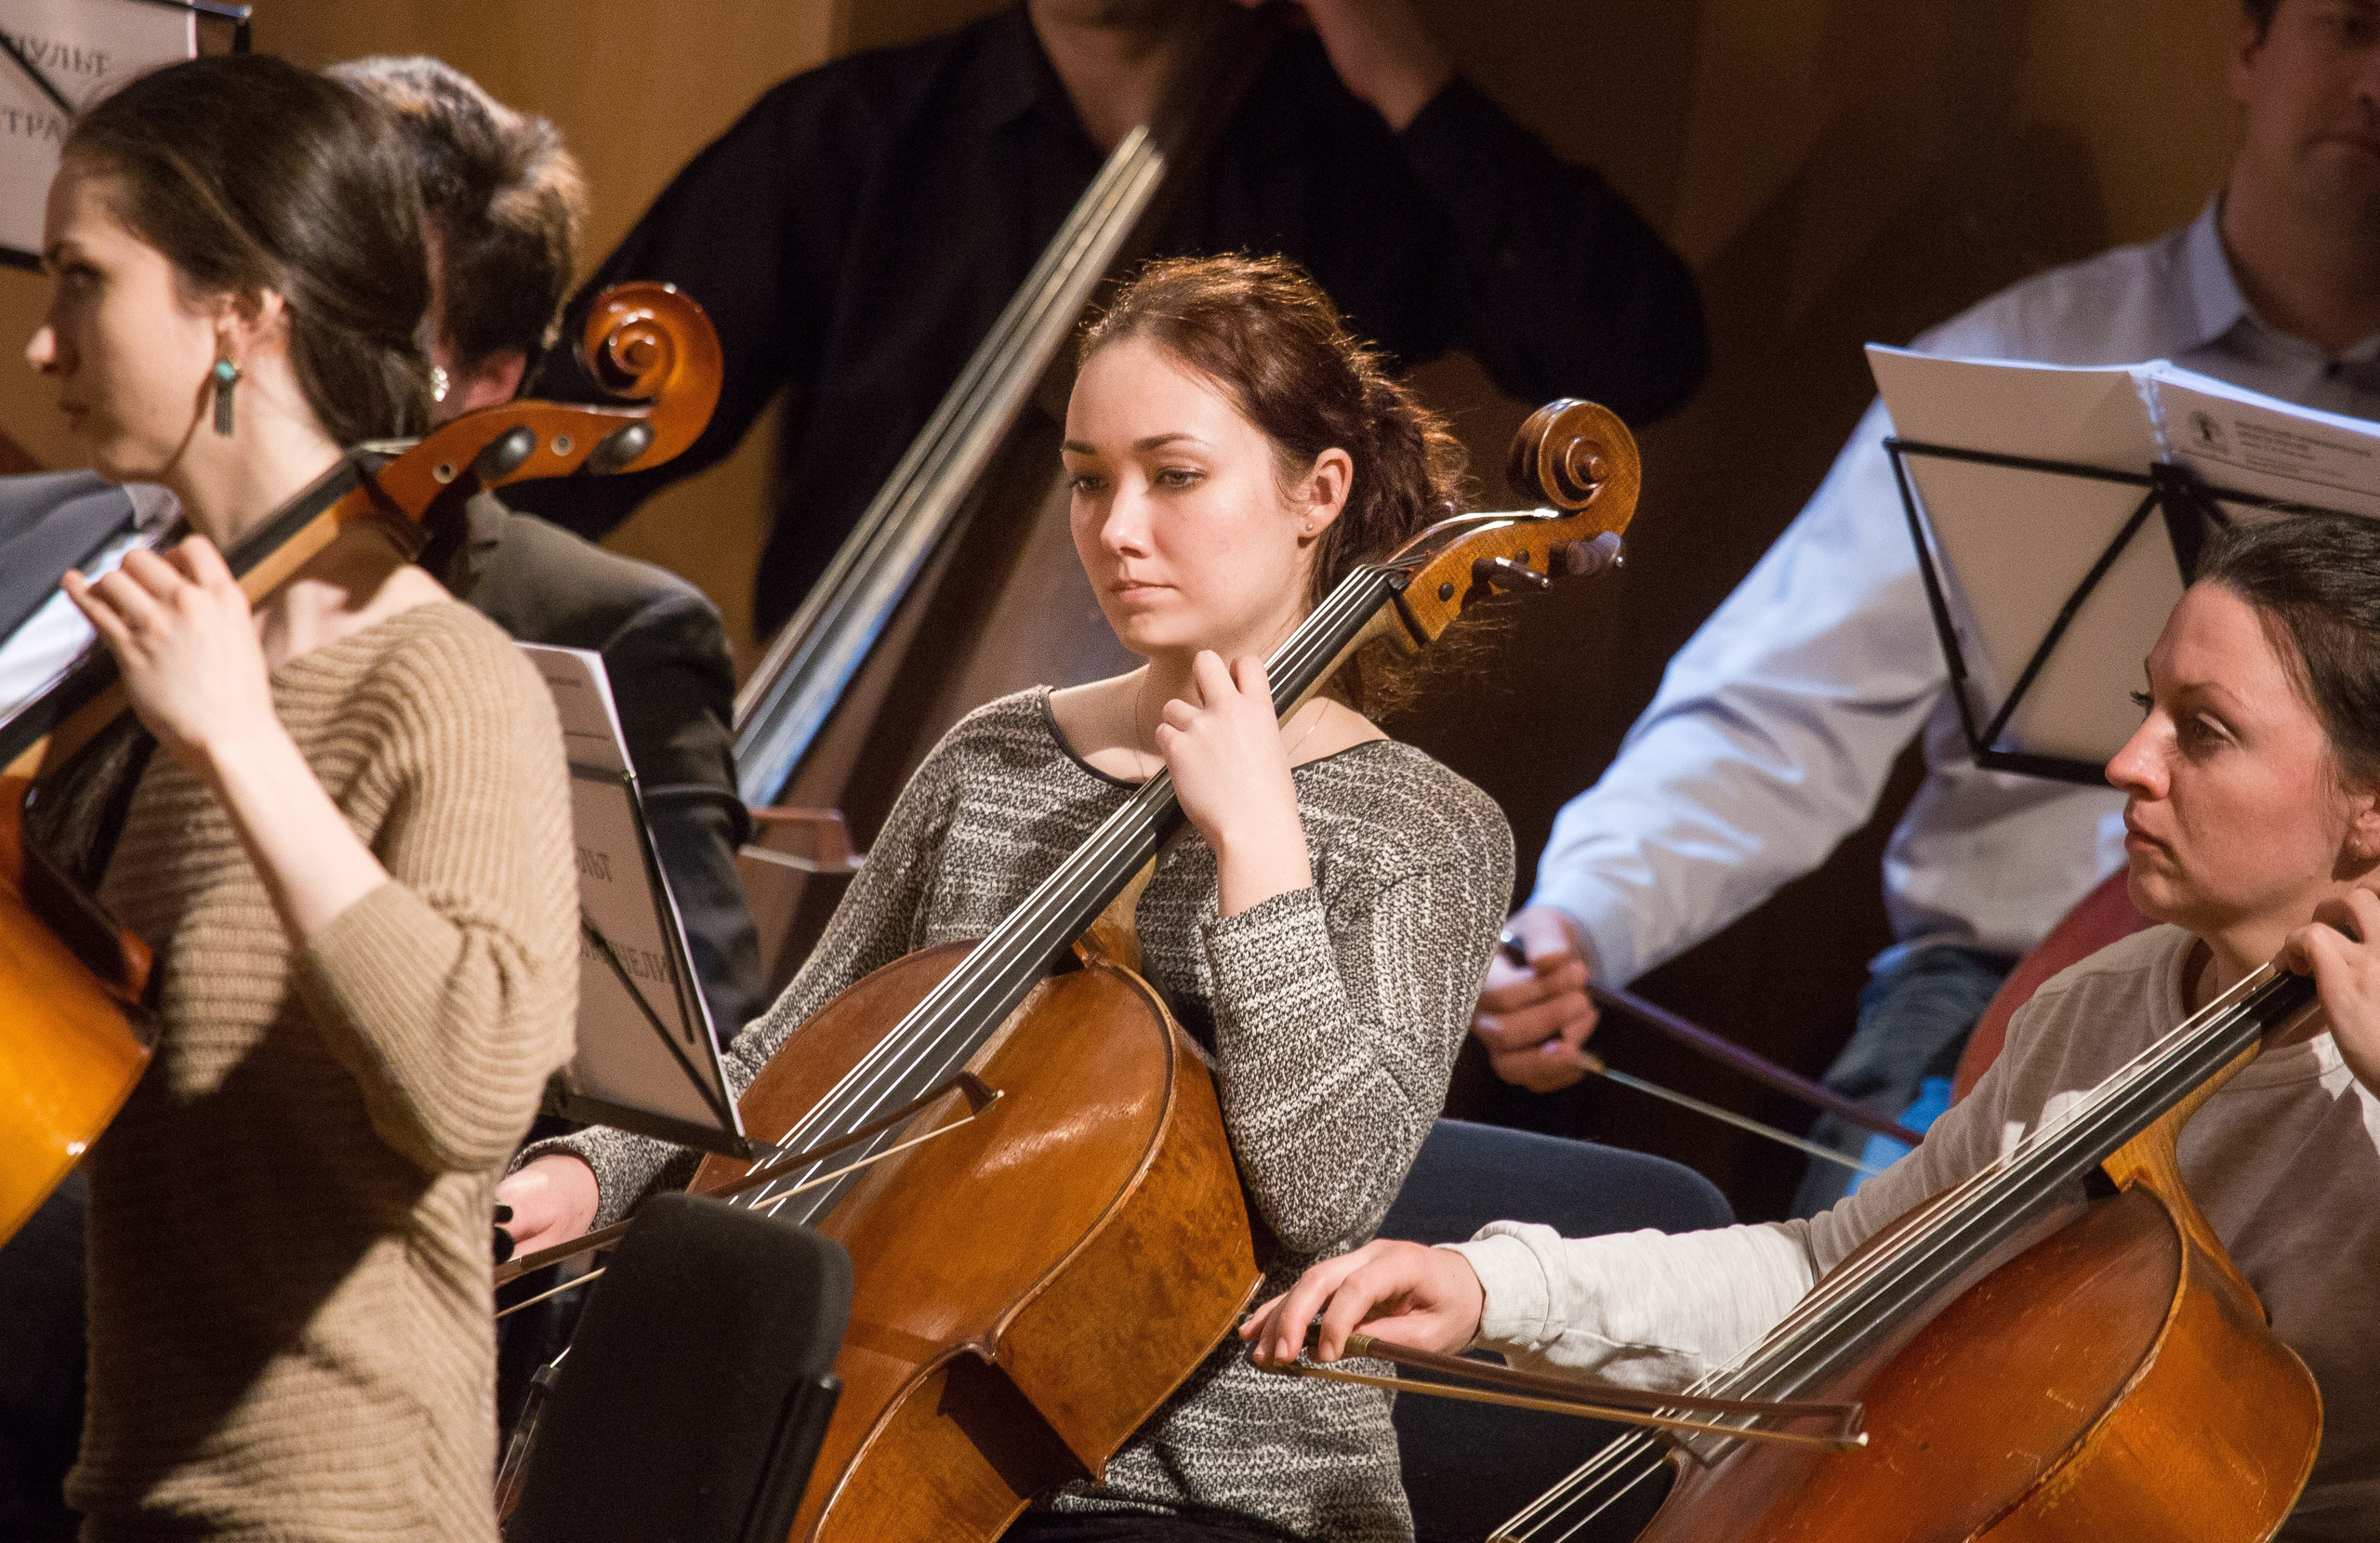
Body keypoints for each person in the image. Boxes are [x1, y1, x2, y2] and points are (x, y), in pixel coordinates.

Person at [500, 254, 1514, 1540]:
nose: (1118, 528)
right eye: (1089, 481)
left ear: (1318, 493)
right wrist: (590, 1180)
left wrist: (1260, 846)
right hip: (897, 1399)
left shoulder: (1424, 828)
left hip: (1214, 1497)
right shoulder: (998, 757)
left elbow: (1324, 1193)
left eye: (1176, 475)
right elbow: (798, 1054)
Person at [1250, 509, 2380, 1538]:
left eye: (2206, 732)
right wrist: (1496, 1288)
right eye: (2148, 711)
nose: (2127, 763)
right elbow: (1839, 1279)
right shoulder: (2105, 1002)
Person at [1473, 0, 2380, 1214]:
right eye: (2357, 26)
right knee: (1833, 1347)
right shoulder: (2023, 358)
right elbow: (1783, 702)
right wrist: (1588, 917)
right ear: (2249, 47)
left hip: (2344, 1030)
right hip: (1986, 1000)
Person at [28, 55, 578, 1541]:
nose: (38, 343)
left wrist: (241, 744)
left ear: (241, 312)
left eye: (84, 282)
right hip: (129, 1495)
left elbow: (472, 1087)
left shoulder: (445, 682)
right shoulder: (130, 684)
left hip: (343, 1511)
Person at [509, 0, 1708, 639]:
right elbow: (548, 455)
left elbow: (1636, 353)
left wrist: (1398, 67)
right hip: (846, 788)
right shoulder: (851, 141)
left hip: (1218, 809)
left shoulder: (1356, 164)